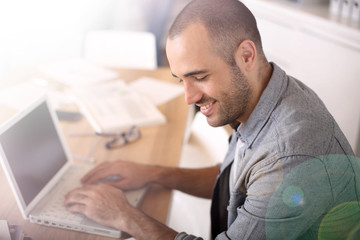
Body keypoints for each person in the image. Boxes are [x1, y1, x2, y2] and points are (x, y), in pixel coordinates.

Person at [64, 0, 360, 239]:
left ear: (246, 56)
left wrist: (123, 216)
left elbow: (268, 171)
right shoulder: (270, 89)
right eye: (181, 79)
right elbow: (235, 180)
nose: (188, 97)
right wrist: (153, 173)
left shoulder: (288, 156)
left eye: (200, 77)